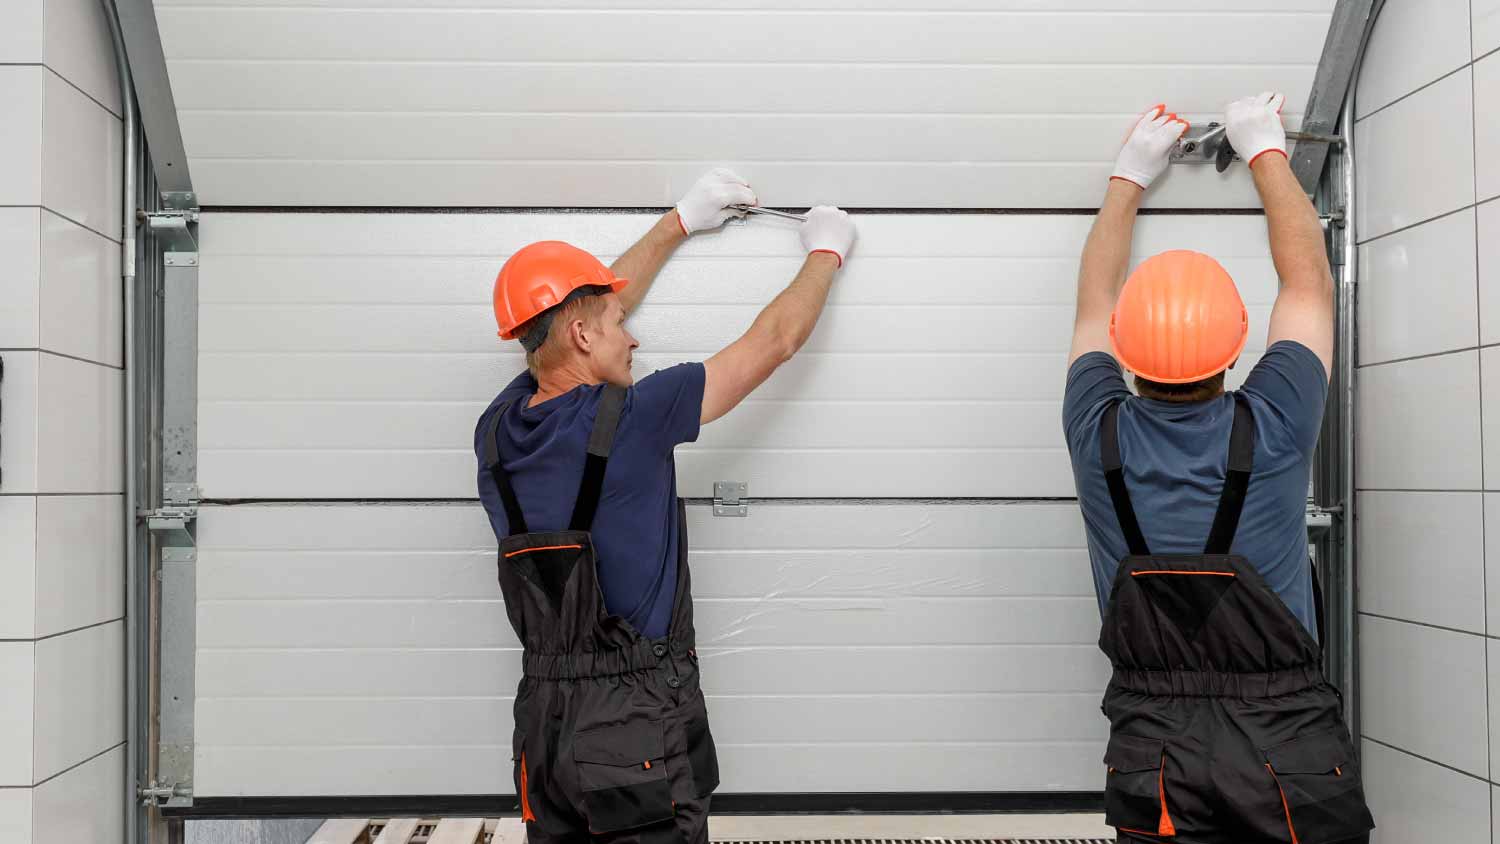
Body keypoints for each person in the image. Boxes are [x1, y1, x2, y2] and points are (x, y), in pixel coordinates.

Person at [474, 168, 855, 844]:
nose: (635, 337)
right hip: (634, 722)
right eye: (621, 324)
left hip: (544, 726)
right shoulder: (636, 417)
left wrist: (679, 221)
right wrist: (826, 251)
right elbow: (774, 342)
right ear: (585, 335)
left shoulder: (498, 431)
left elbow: (567, 321)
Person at [1062, 95, 1375, 844]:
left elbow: (1091, 303)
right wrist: (1264, 149)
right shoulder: (1274, 421)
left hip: (1154, 745)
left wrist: (1127, 176)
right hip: (1286, 738)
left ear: (1121, 351)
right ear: (1235, 349)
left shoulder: (1092, 428)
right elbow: (1307, 286)